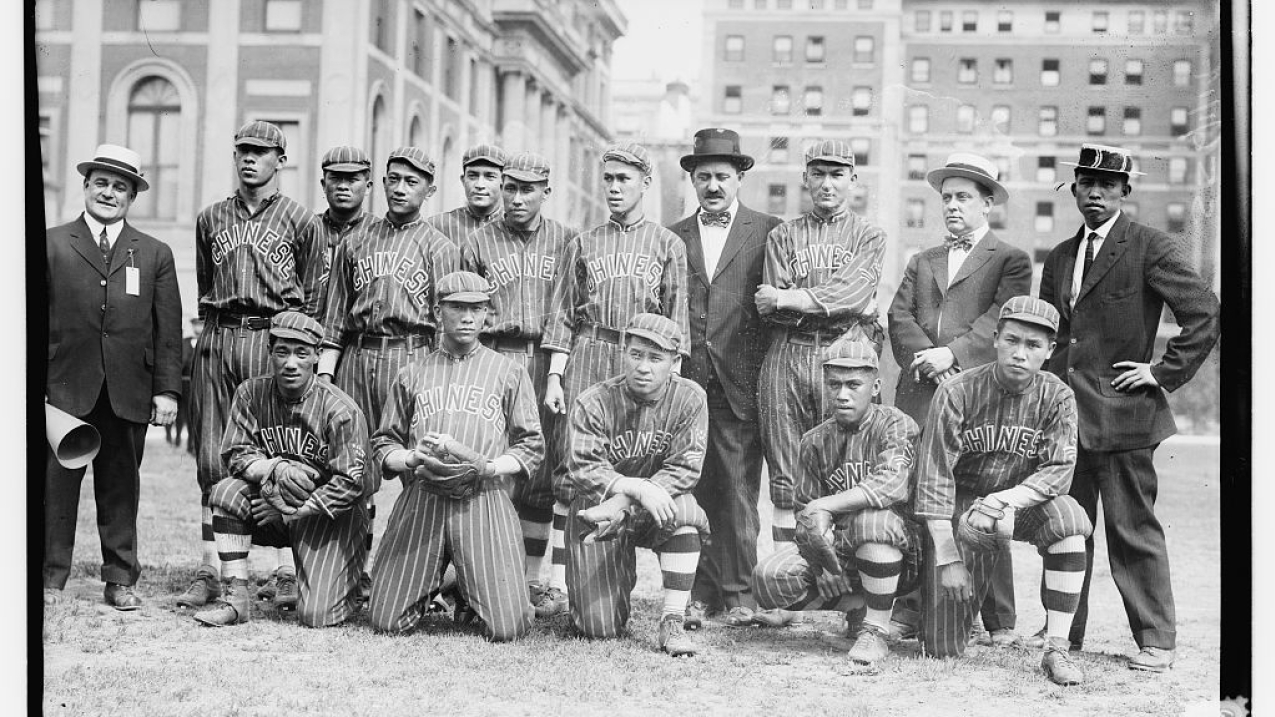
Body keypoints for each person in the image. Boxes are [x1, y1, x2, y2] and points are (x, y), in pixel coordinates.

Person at [1035, 144, 1220, 672]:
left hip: (1125, 416)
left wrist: (1161, 373)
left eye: (1108, 185)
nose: (1096, 193)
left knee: (1131, 530)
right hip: (1065, 420)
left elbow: (1204, 312)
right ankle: (1061, 634)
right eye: (1087, 183)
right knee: (1066, 527)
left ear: (1124, 192)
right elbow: (1053, 334)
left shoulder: (1150, 247)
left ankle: (1156, 638)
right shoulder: (1060, 257)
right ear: (1072, 188)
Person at [179, 120, 327, 611]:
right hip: (220, 333)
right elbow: (205, 282)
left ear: (280, 160)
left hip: (271, 336)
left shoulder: (301, 221)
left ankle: (286, 568)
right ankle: (211, 567)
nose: (250, 159)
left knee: (279, 445)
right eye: (243, 149)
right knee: (210, 452)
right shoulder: (210, 218)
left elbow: (310, 297)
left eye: (261, 152)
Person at [886, 153, 1032, 647]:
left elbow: (1001, 319)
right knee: (917, 497)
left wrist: (953, 356)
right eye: (946, 197)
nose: (951, 206)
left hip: (976, 396)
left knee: (976, 498)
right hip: (921, 394)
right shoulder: (922, 259)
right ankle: (909, 605)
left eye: (963, 197)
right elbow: (898, 316)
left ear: (987, 203)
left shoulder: (1010, 259)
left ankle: (999, 618)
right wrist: (928, 356)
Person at [539, 142, 690, 618]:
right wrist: (555, 377)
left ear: (646, 182)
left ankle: (662, 590)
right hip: (591, 350)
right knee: (572, 467)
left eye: (624, 179)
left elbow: (677, 322)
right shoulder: (582, 242)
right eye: (608, 179)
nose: (614, 187)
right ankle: (563, 584)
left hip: (642, 358)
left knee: (641, 461)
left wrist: (672, 381)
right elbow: (562, 316)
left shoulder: (668, 244)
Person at [912, 296, 1092, 686]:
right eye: (1012, 340)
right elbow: (934, 478)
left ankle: (1056, 647)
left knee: (1070, 518)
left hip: (1018, 500)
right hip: (963, 508)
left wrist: (1006, 500)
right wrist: (948, 560)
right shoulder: (957, 390)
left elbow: (1059, 471)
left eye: (1033, 345)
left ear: (1050, 350)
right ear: (995, 339)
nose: (1020, 353)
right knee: (942, 646)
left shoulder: (1057, 395)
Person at [368, 271, 543, 642]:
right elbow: (384, 443)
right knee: (386, 621)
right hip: (425, 494)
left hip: (482, 495)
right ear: (437, 312)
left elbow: (531, 445)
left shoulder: (509, 372)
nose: (467, 317)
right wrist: (411, 458)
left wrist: (492, 465)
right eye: (457, 307)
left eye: (476, 308)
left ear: (486, 315)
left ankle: (467, 585)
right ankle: (450, 580)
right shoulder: (412, 373)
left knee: (508, 628)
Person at [44, 143, 183, 609]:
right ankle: (50, 577)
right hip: (63, 389)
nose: (108, 192)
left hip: (128, 390)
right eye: (100, 182)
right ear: (85, 186)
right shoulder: (50, 243)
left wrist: (166, 391)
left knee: (121, 484)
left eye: (119, 186)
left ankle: (120, 578)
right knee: (54, 487)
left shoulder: (156, 253)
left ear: (132, 197)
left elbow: (167, 329)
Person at [319, 147, 460, 603]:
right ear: (382, 181)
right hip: (359, 356)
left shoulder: (440, 246)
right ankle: (351, 572)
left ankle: (422, 578)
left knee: (419, 470)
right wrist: (325, 373)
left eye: (412, 182)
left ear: (429, 190)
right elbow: (336, 315)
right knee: (353, 468)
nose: (400, 188)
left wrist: (440, 381)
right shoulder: (356, 240)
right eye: (394, 179)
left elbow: (446, 323)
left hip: (412, 357)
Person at [667, 128, 781, 629]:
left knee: (736, 490)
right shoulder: (672, 235)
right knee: (694, 487)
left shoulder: (768, 230)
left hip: (740, 381)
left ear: (740, 179)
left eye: (722, 177)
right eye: (704, 177)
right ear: (692, 180)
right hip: (689, 383)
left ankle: (739, 594)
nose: (713, 186)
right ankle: (700, 591)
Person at [192, 312, 371, 628]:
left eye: (301, 353)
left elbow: (351, 484)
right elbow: (236, 454)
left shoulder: (340, 409)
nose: (291, 363)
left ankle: (349, 583)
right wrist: (276, 466)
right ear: (269, 352)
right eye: (282, 351)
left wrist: (291, 510)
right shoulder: (250, 393)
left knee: (316, 615)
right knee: (225, 492)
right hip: (272, 506)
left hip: (328, 518)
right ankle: (236, 598)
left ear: (317, 355)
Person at [751, 338, 920, 669]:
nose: (842, 394)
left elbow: (891, 485)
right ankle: (859, 605)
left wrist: (828, 505)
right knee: (769, 577)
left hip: (905, 553)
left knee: (873, 522)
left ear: (875, 386)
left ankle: (876, 630)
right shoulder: (814, 440)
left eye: (854, 384)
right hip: (844, 551)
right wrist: (821, 560)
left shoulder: (897, 423)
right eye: (834, 384)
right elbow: (806, 512)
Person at [461, 152, 578, 615]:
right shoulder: (479, 240)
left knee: (540, 474)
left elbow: (568, 312)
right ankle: (481, 578)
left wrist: (556, 373)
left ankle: (531, 582)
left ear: (546, 192)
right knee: (490, 466)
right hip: (494, 355)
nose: (516, 197)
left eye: (527, 188)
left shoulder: (567, 239)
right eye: (509, 187)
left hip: (545, 360)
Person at [755, 140, 885, 552]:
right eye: (819, 174)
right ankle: (785, 580)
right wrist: (808, 304)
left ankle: (843, 583)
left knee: (844, 465)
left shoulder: (870, 235)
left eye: (837, 174)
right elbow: (767, 308)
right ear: (805, 177)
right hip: (788, 351)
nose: (827, 184)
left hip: (843, 353)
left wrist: (790, 297)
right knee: (784, 468)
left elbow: (855, 293)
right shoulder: (783, 235)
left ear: (852, 179)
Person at [561, 313, 710, 657]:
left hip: (650, 509)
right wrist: (636, 489)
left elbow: (685, 467)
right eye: (636, 354)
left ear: (675, 362)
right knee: (598, 628)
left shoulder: (690, 398)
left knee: (685, 509)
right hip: (598, 514)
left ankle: (673, 618)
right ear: (622, 353)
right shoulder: (593, 400)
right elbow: (583, 468)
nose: (644, 366)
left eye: (656, 358)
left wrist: (631, 500)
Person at [425, 144, 506, 244]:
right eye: (473, 176)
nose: (480, 185)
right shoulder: (437, 226)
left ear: (503, 182)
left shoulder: (514, 226)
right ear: (463, 181)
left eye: (489, 176)